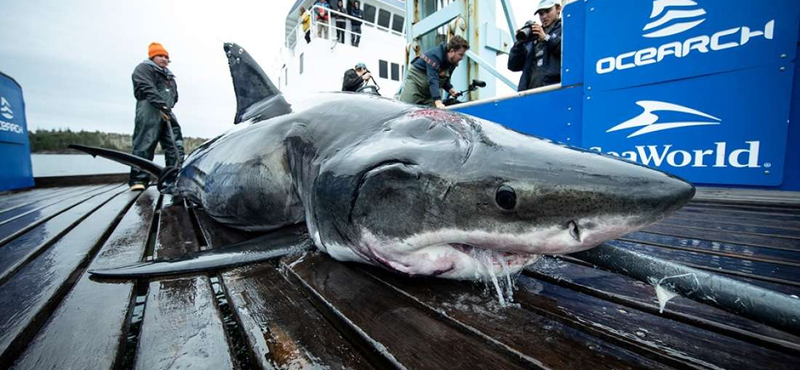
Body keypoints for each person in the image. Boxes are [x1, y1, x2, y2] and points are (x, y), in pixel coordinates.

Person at [129, 42, 185, 191]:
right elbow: (147, 87)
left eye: (167, 57)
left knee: (175, 144)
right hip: (150, 109)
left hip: (167, 111)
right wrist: (161, 105)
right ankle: (138, 180)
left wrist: (168, 107)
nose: (165, 59)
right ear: (152, 56)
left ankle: (175, 177)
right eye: (160, 56)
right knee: (145, 143)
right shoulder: (143, 69)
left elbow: (174, 94)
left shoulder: (169, 76)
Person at [399, 35, 469, 109]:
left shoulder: (453, 63)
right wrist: (438, 101)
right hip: (416, 84)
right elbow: (433, 79)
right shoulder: (434, 56)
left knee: (433, 114)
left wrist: (451, 90)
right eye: (460, 55)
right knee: (404, 109)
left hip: (429, 92)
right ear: (452, 51)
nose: (461, 58)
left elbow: (444, 80)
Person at [507, 0, 562, 91]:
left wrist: (546, 38)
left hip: (553, 90)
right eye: (541, 14)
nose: (544, 16)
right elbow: (513, 66)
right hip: (530, 93)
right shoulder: (533, 37)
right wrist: (519, 43)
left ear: (558, 9)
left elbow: (569, 53)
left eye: (548, 11)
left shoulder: (566, 27)